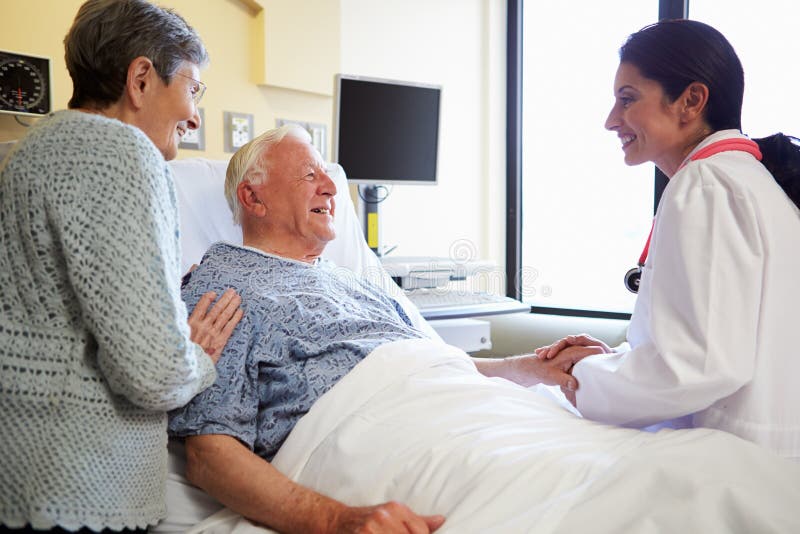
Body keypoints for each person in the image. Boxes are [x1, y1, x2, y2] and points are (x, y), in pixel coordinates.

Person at [168, 125, 599, 533]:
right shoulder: (223, 287)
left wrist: (530, 368)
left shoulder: (353, 281)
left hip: (467, 408)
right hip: (377, 431)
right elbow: (210, 454)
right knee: (561, 492)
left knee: (600, 461)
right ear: (253, 198)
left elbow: (429, 364)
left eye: (327, 174)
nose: (332, 187)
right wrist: (336, 521)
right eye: (309, 175)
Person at [0, 0, 242, 532]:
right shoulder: (124, 154)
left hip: (17, 473)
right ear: (140, 78)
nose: (194, 114)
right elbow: (152, 373)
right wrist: (197, 356)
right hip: (83, 490)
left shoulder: (22, 153)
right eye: (192, 89)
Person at [536, 19, 800, 461]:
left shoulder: (707, 184)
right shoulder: (742, 181)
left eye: (627, 99)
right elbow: (712, 342)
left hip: (733, 463)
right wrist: (613, 361)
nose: (610, 121)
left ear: (691, 100)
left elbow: (701, 366)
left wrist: (581, 377)